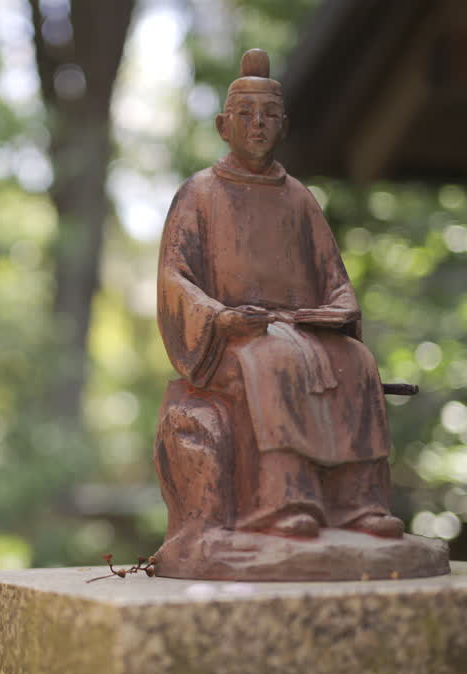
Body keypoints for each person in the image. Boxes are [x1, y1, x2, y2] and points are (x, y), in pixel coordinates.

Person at [154, 48, 404, 542]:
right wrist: (220, 317)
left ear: (284, 125)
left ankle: (359, 502)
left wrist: (338, 311)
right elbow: (173, 277)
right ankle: (283, 500)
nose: (258, 125)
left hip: (301, 328)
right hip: (236, 337)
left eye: (269, 115)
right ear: (223, 125)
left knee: (355, 361)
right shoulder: (199, 194)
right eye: (245, 115)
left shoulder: (300, 199)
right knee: (271, 360)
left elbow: (335, 280)